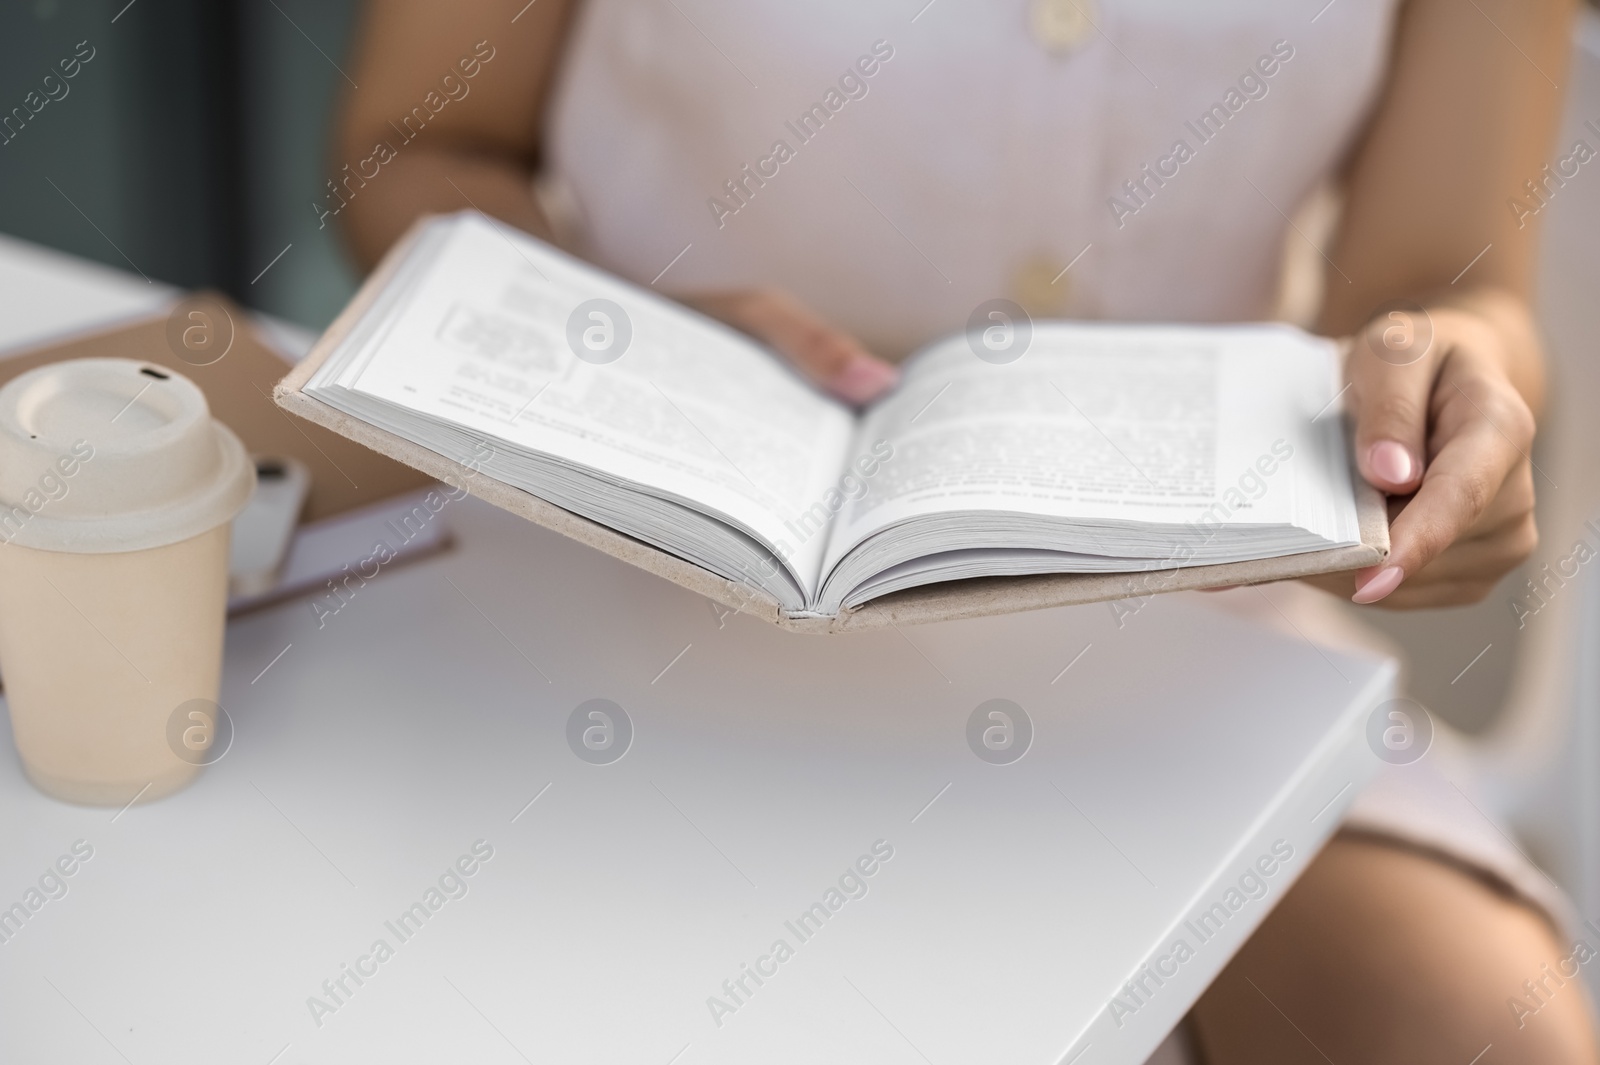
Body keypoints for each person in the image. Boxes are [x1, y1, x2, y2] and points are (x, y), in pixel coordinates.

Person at [330, 0, 1597, 1060]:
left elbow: (1440, 284)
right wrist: (612, 337)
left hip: (1186, 637)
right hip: (618, 571)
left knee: (1486, 1033)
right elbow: (416, 145)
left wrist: (1446, 383)